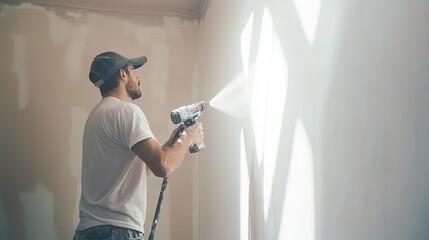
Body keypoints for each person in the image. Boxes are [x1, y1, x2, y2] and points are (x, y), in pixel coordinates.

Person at [73, 51, 204, 240]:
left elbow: (131, 173)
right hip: (117, 232)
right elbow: (164, 167)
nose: (138, 77)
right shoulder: (127, 112)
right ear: (122, 74)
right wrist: (189, 138)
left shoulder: (95, 116)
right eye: (133, 71)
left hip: (87, 231)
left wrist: (169, 145)